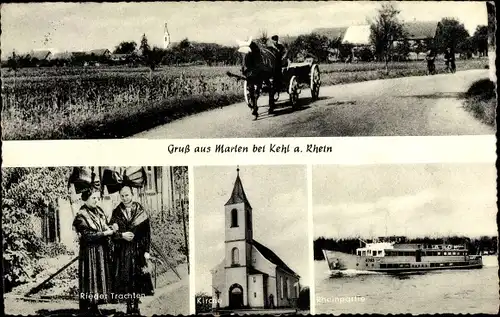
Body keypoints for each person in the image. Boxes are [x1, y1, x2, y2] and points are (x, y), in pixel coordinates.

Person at [109, 185, 154, 315]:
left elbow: (147, 232)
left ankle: (136, 305)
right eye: (122, 195)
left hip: (138, 249)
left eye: (127, 195)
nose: (124, 198)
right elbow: (112, 232)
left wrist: (147, 250)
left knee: (137, 276)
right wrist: (122, 235)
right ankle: (129, 305)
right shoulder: (117, 211)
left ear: (132, 194)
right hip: (123, 251)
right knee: (126, 277)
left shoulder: (140, 209)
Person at [72, 185, 115, 316]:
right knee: (91, 277)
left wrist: (111, 227)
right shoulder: (81, 215)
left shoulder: (99, 211)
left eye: (98, 198)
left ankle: (96, 307)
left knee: (99, 277)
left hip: (100, 250)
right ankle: (90, 308)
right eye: (93, 198)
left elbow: (105, 225)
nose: (96, 200)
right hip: (89, 252)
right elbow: (88, 236)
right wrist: (105, 234)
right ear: (85, 199)